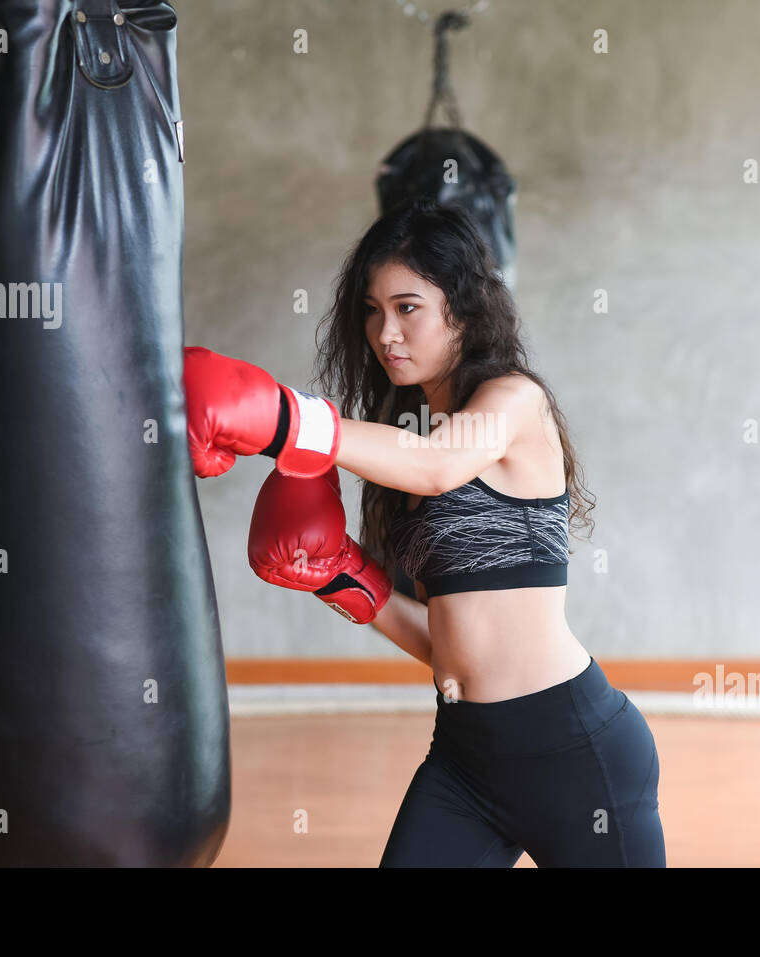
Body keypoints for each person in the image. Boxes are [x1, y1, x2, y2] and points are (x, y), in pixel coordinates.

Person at [183, 198, 665, 867]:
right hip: (466, 757)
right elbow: (450, 641)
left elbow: (440, 466)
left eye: (408, 307)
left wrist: (285, 420)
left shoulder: (512, 402)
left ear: (462, 310)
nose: (386, 332)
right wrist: (346, 584)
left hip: (573, 750)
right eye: (373, 310)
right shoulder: (409, 442)